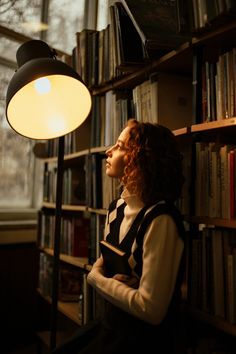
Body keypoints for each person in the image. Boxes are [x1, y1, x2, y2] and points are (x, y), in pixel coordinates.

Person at [53, 119, 186, 354]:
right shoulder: (116, 208)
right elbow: (110, 268)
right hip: (110, 326)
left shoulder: (161, 219)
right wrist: (124, 287)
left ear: (140, 158)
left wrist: (95, 279)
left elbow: (151, 310)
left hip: (143, 341)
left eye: (119, 145)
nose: (108, 151)